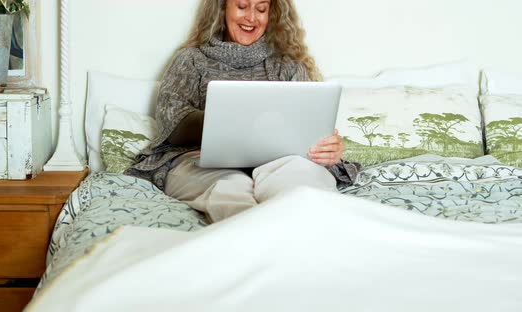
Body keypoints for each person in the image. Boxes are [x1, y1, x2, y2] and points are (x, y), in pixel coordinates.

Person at [127, 0, 360, 222]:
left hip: (280, 162)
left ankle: (303, 243)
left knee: (302, 189)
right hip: (203, 163)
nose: (251, 17)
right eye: (241, 6)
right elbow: (172, 122)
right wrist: (226, 120)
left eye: (261, 9)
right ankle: (255, 246)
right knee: (232, 195)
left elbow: (308, 125)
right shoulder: (191, 59)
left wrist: (327, 147)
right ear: (222, 8)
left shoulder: (287, 64)